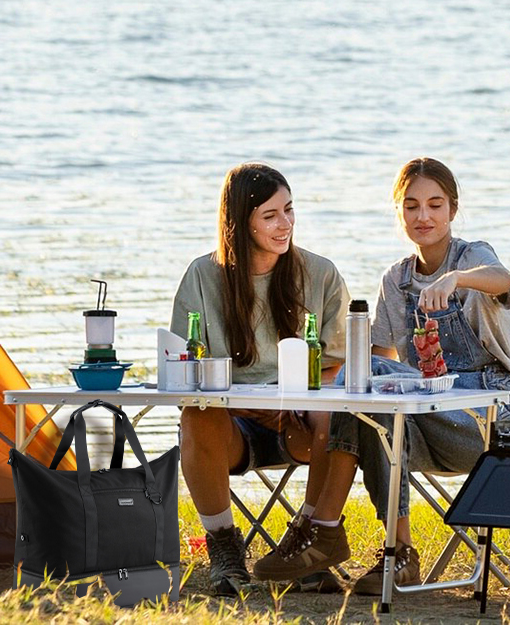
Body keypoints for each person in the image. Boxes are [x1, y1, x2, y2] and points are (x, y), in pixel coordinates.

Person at [252, 157, 510, 593]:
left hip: (489, 414)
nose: (423, 216)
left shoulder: (472, 257)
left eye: (435, 205)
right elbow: (379, 363)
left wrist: (457, 280)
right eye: (412, 206)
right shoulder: (396, 280)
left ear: (452, 210)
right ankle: (399, 555)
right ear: (399, 212)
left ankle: (319, 527)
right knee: (372, 407)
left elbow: (503, 278)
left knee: (366, 375)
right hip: (424, 411)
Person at [171, 162, 350, 596]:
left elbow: (337, 366)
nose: (285, 224)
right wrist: (256, 405)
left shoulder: (320, 273)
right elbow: (183, 370)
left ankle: (307, 542)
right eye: (270, 215)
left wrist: (288, 403)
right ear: (240, 222)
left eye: (289, 210)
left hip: (300, 423)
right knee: (196, 414)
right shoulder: (203, 275)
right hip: (233, 424)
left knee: (337, 415)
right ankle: (225, 548)